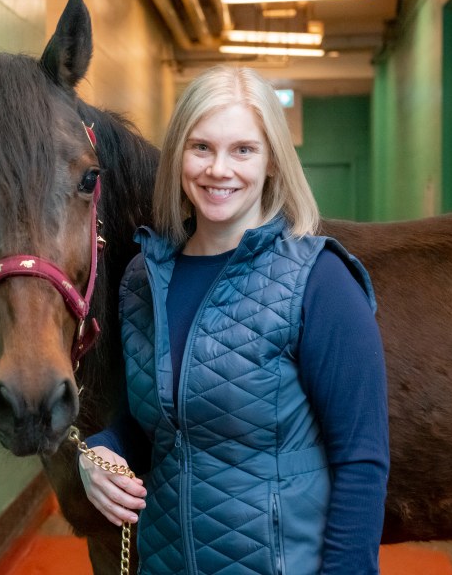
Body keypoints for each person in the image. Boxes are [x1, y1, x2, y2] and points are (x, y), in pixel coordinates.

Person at [79, 65, 389, 574]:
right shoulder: (141, 279)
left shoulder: (320, 281)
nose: (218, 169)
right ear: (178, 153)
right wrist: (101, 452)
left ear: (272, 163)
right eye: (201, 147)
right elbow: (158, 425)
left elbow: (362, 460)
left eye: (242, 150)